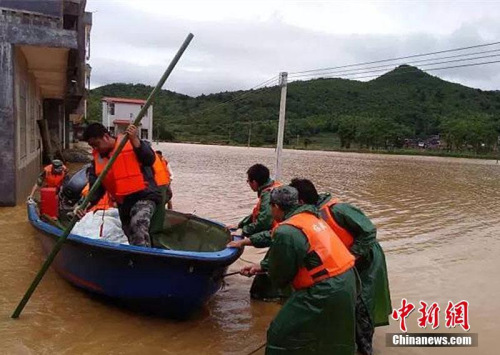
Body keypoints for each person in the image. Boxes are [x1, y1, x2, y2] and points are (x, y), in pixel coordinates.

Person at [241, 186, 357, 354]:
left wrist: (269, 271)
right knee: (331, 334)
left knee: (280, 333)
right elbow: (311, 256)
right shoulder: (310, 217)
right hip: (347, 278)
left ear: (276, 207)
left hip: (325, 289)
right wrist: (260, 267)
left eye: (270, 207)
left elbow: (281, 276)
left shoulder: (287, 231)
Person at [289, 178, 392, 355]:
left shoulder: (339, 210)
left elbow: (369, 231)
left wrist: (351, 257)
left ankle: (364, 348)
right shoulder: (308, 215)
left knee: (362, 304)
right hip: (342, 263)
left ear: (300, 201)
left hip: (365, 261)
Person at [76, 123, 162, 247]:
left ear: (106, 136)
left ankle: (143, 260)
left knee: (137, 225)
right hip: (124, 203)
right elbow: (96, 189)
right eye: (92, 146)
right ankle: (136, 258)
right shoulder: (97, 162)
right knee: (129, 234)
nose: (95, 148)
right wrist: (84, 206)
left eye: (96, 144)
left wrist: (135, 140)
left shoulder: (130, 143)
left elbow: (150, 159)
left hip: (145, 195)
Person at [226, 164, 285, 300]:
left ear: (254, 182)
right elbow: (257, 215)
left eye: (248, 181)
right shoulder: (273, 189)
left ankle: (273, 297)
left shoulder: (268, 195)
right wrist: (240, 224)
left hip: (279, 238)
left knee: (261, 288)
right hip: (278, 235)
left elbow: (264, 221)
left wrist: (243, 232)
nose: (248, 184)